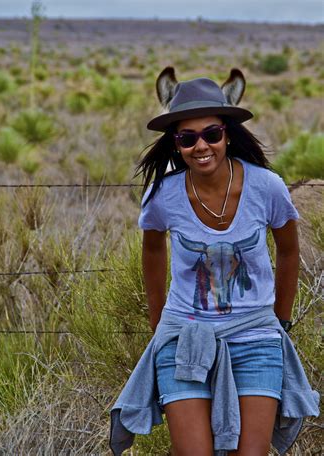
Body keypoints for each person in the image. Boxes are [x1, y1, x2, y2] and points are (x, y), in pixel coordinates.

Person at [109, 67, 320, 455]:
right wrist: (160, 327)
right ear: (176, 144)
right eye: (188, 138)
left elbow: (288, 250)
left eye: (211, 134)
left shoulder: (265, 187)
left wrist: (281, 319)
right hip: (185, 337)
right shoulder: (163, 196)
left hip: (255, 337)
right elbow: (153, 250)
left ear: (227, 134)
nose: (201, 146)